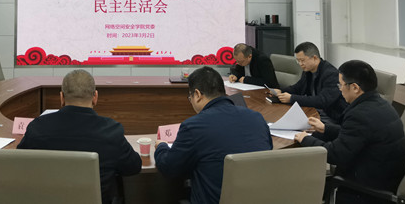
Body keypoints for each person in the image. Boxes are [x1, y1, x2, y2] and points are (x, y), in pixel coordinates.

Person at [17, 69, 141, 204]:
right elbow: (133, 167)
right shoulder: (111, 131)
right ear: (95, 97)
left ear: (61, 97)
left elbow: (20, 164)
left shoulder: (37, 128)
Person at [294, 60, 405, 204]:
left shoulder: (359, 114)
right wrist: (325, 128)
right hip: (385, 175)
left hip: (367, 190)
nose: (340, 90)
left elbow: (335, 155)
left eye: (341, 85)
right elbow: (359, 134)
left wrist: (305, 139)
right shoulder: (381, 104)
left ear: (355, 87)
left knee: (304, 187)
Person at [154, 66, 272, 204]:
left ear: (197, 94)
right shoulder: (257, 118)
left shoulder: (193, 126)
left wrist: (161, 146)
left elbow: (169, 168)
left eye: (190, 97)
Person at [272, 41, 347, 122]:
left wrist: (292, 98)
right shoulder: (308, 71)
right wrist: (280, 91)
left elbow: (322, 101)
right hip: (314, 111)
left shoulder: (331, 74)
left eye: (302, 60)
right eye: (298, 61)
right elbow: (298, 88)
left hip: (330, 116)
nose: (300, 64)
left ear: (314, 58)